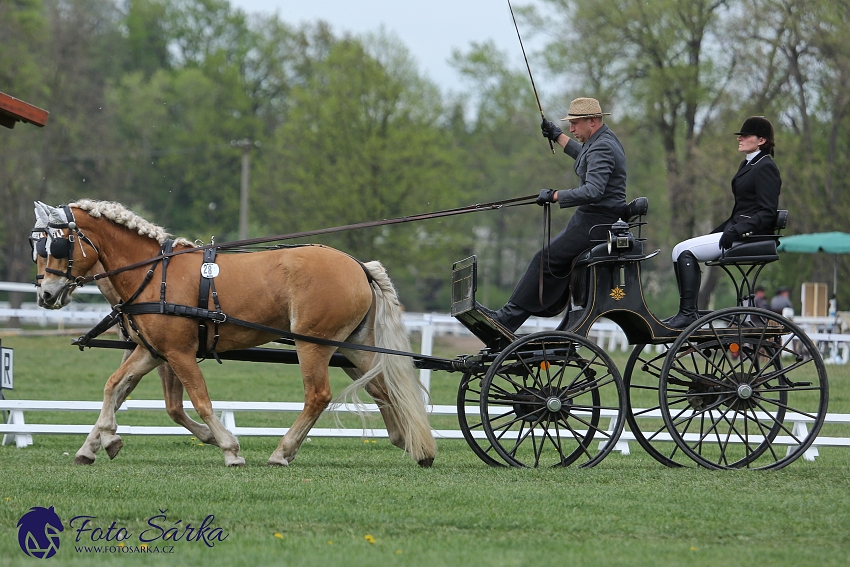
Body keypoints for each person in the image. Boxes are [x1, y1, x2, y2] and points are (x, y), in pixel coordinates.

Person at [481, 97, 627, 332]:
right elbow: (583, 155)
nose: (572, 128)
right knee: (546, 258)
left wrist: (555, 195)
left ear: (592, 121)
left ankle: (506, 320)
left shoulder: (603, 146)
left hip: (596, 222)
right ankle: (508, 316)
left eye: (575, 124)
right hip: (592, 219)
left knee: (544, 259)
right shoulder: (601, 140)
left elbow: (593, 190)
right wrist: (557, 136)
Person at [664, 116, 781, 328]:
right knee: (678, 249)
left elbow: (767, 213)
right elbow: (741, 210)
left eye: (746, 136)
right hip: (737, 230)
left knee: (684, 252)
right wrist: (718, 231)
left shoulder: (765, 167)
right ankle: (686, 311)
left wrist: (736, 231)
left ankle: (688, 314)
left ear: (761, 140)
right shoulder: (749, 164)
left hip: (751, 236)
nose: (740, 139)